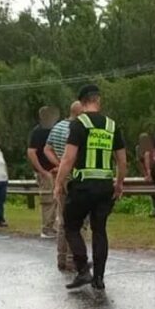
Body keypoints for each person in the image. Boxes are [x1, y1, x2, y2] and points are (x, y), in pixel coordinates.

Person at [53, 84, 127, 291]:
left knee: (71, 226)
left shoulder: (79, 124)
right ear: (98, 100)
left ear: (82, 101)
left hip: (83, 186)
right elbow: (122, 161)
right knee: (99, 230)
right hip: (105, 185)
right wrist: (119, 183)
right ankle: (99, 278)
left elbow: (68, 158)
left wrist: (58, 183)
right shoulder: (112, 126)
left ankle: (83, 269)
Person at [45, 101, 84, 271]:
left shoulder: (58, 127)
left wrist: (59, 163)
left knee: (63, 220)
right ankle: (72, 259)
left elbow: (47, 149)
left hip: (61, 177)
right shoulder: (79, 128)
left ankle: (61, 258)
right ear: (80, 113)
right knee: (77, 222)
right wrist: (67, 164)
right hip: (75, 177)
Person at [28, 106, 60, 238]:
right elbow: (31, 152)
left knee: (58, 200)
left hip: (57, 170)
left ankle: (54, 226)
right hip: (45, 171)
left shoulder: (56, 129)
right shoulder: (37, 132)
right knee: (48, 200)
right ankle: (47, 228)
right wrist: (41, 171)